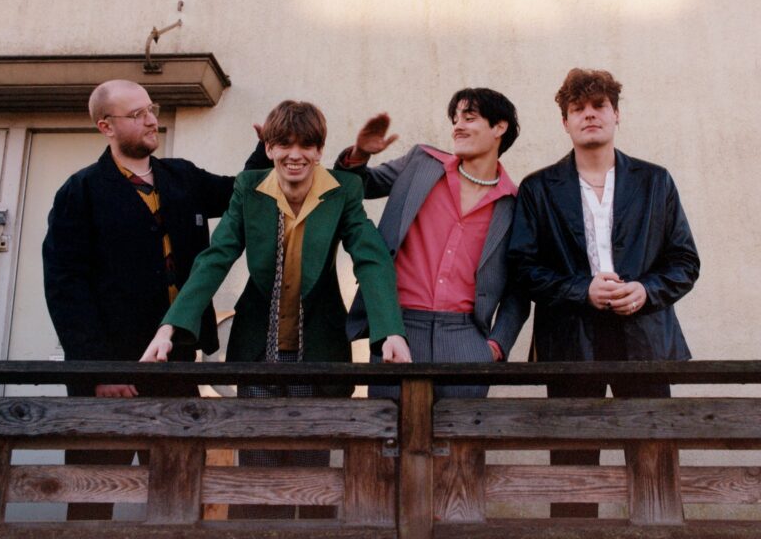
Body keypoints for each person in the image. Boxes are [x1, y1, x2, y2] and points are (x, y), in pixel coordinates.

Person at [140, 99, 407, 519]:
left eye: (306, 145)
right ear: (269, 148)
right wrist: (169, 328)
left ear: (320, 150)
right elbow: (216, 257)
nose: (294, 154)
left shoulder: (344, 190)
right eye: (283, 144)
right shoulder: (249, 188)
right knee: (259, 481)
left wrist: (390, 331)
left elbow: (372, 259)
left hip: (316, 352)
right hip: (257, 350)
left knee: (312, 478)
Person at [42, 79, 269, 520]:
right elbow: (66, 287)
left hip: (176, 363)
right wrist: (100, 372)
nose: (152, 120)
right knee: (94, 494)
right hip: (108, 375)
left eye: (152, 109)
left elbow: (236, 192)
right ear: (106, 127)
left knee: (177, 486)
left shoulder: (180, 176)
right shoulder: (80, 192)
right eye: (138, 114)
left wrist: (266, 152)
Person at [507, 68, 700, 517]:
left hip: (647, 340)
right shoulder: (538, 188)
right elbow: (522, 267)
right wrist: (581, 290)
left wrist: (645, 290)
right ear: (565, 122)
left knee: (653, 461)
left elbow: (685, 261)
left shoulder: (655, 181)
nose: (589, 115)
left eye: (599, 106)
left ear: (616, 115)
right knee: (573, 466)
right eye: (578, 109)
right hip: (569, 342)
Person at [335, 88, 530, 398]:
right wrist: (359, 156)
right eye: (454, 119)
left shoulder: (515, 203)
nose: (457, 126)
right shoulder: (421, 163)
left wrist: (494, 347)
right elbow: (357, 187)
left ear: (499, 127)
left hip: (466, 339)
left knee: (460, 443)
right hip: (398, 329)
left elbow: (519, 290)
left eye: (470, 118)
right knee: (387, 439)